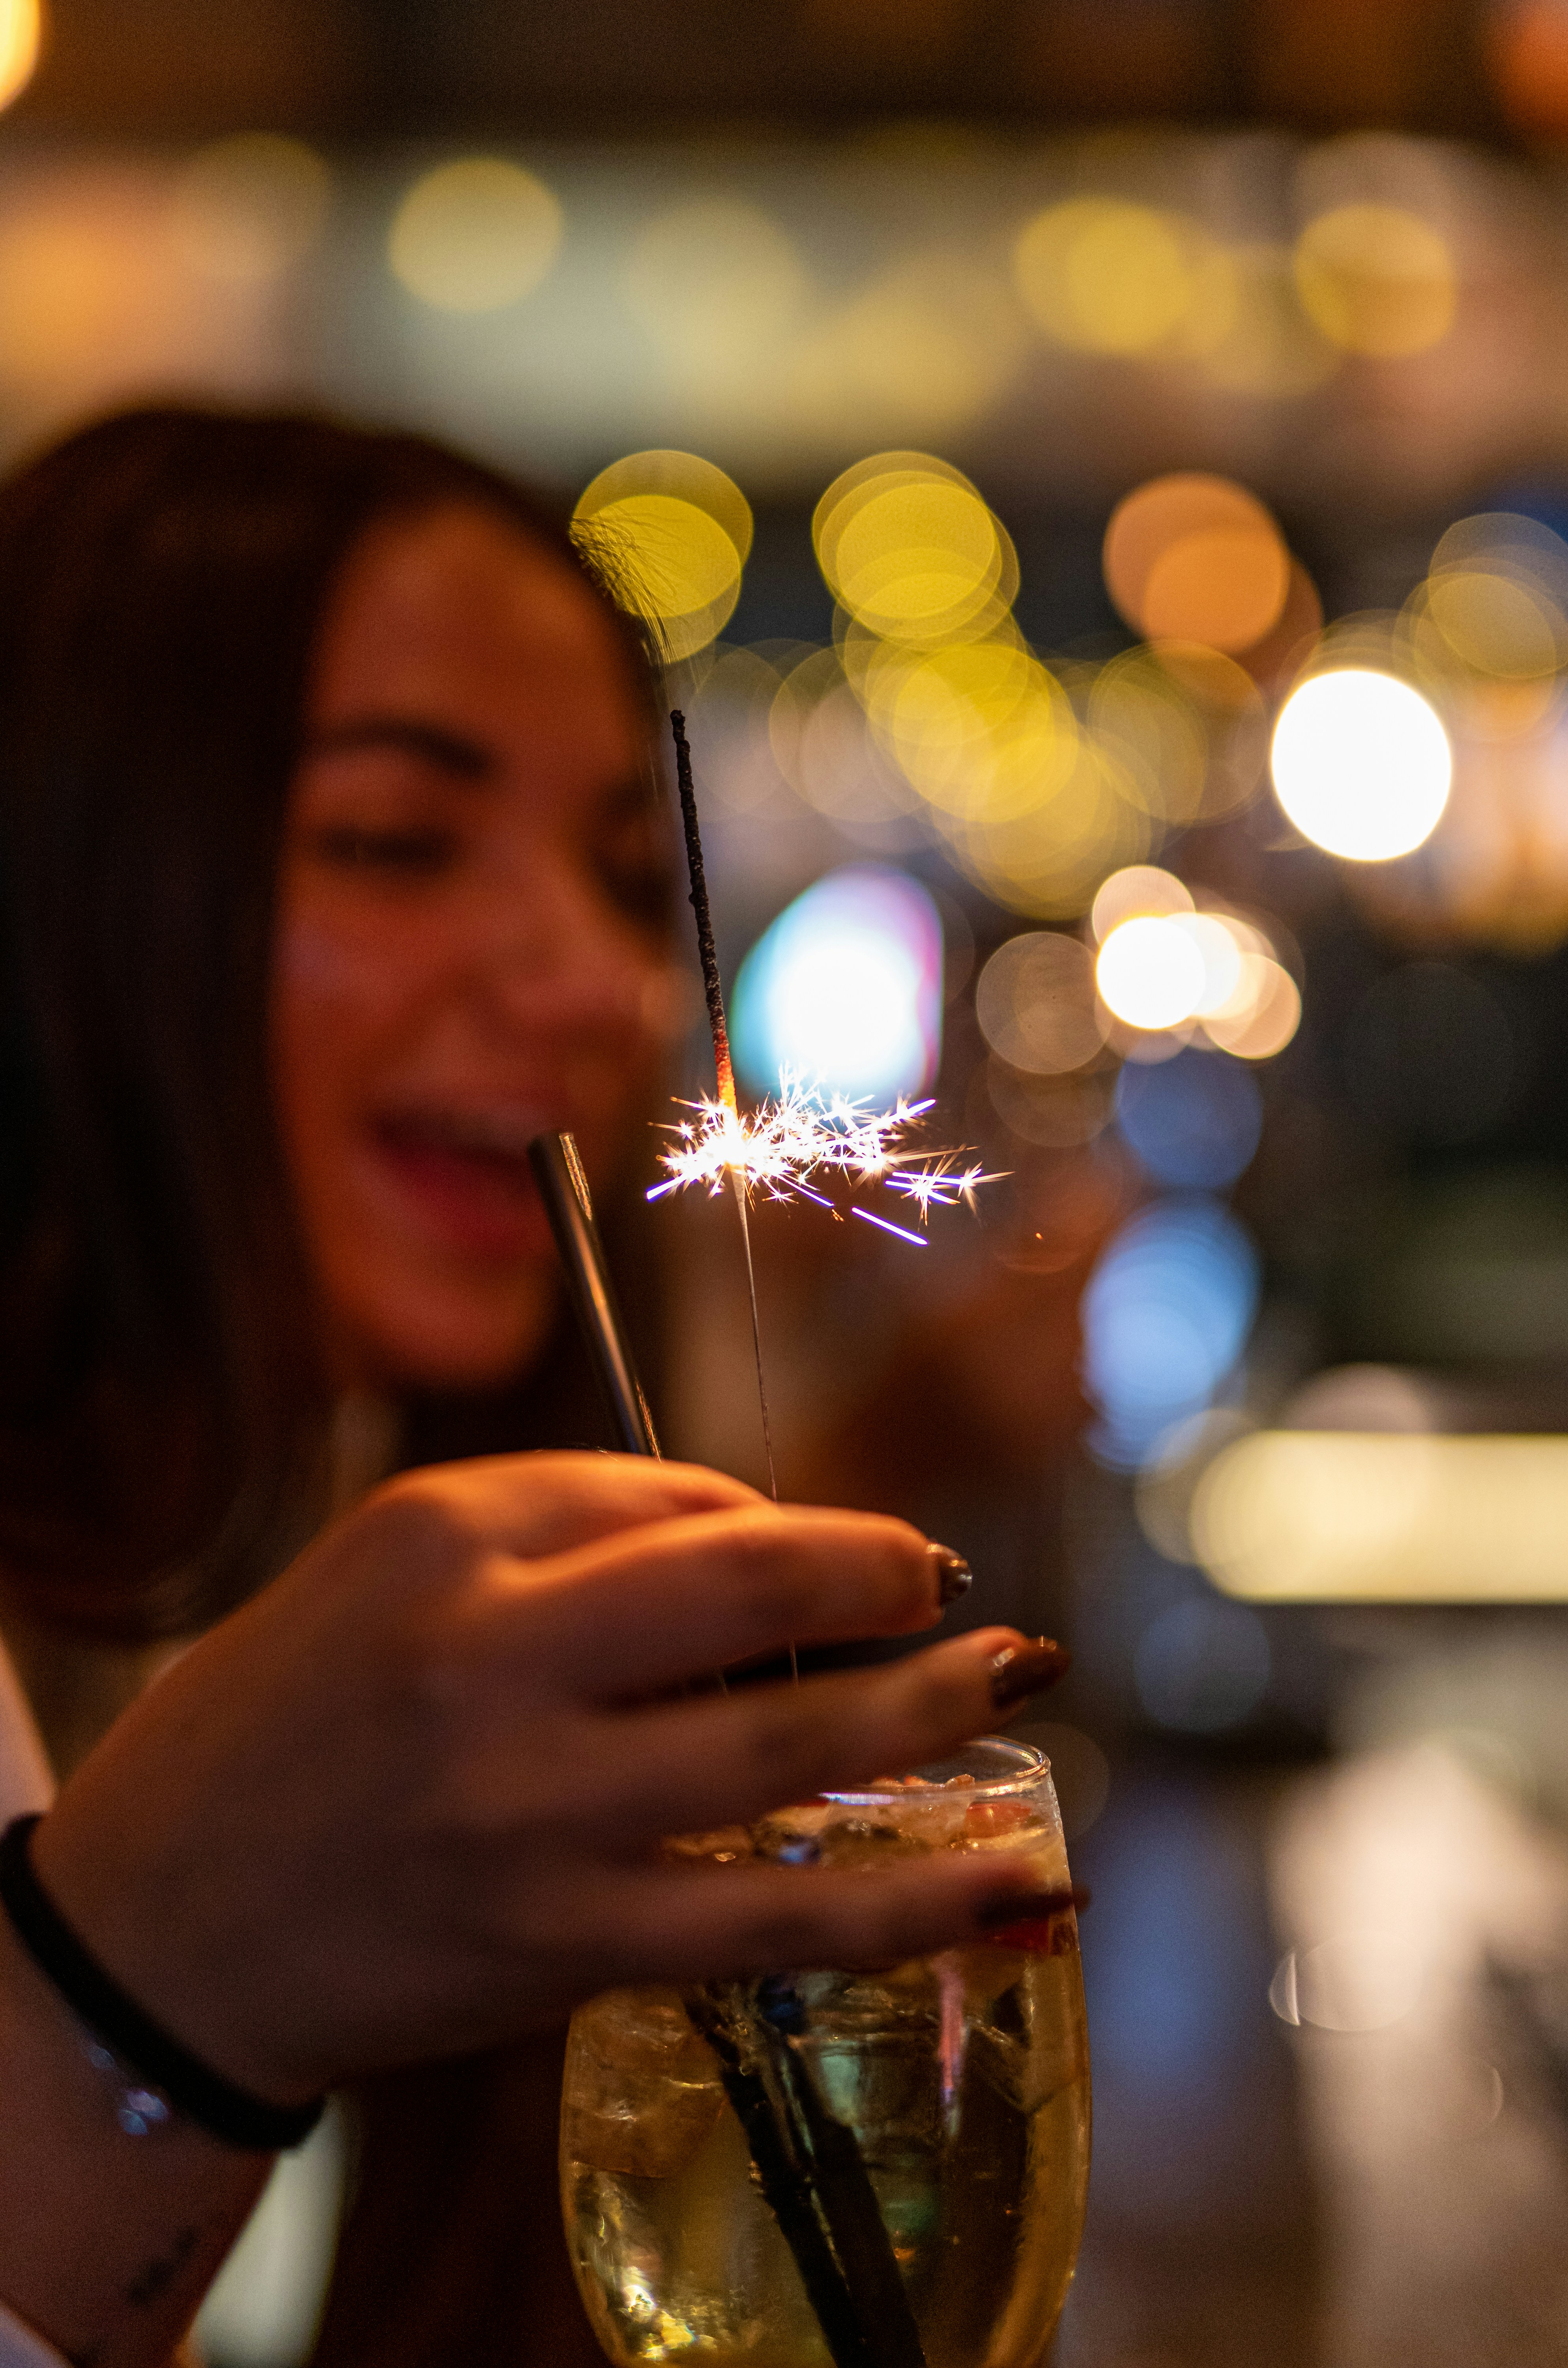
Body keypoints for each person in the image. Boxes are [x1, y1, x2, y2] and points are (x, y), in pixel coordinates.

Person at [0, 408, 1068, 2368]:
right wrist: (140, 1995)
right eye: (394, 842)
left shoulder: (322, 1545)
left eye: (619, 876)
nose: (599, 987)